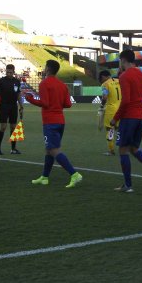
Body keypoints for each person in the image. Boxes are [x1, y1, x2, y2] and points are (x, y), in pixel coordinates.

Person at [110, 50, 142, 192]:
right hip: (140, 116)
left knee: (122, 149)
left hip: (129, 117)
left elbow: (126, 100)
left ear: (123, 60)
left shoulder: (125, 76)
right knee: (133, 148)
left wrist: (115, 118)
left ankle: (128, 185)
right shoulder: (141, 74)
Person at [26, 60, 82, 188]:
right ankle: (45, 177)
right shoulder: (62, 85)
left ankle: (74, 174)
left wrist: (31, 99)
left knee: (53, 149)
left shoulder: (44, 83)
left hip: (49, 122)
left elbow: (45, 103)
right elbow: (68, 104)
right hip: (60, 121)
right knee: (48, 150)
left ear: (48, 69)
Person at [0, 64, 24, 155]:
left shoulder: (17, 81)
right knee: (3, 127)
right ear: (5, 71)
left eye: (10, 72)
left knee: (13, 127)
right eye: (7, 72)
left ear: (13, 72)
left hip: (13, 106)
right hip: (3, 106)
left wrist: (21, 106)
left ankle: (13, 149)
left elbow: (18, 94)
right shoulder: (1, 81)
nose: (9, 74)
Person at [99, 69, 121, 156]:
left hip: (111, 109)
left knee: (110, 129)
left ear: (104, 76)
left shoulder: (105, 84)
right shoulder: (119, 81)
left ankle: (111, 150)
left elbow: (104, 97)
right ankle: (124, 148)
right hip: (121, 109)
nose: (101, 80)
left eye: (101, 78)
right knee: (119, 130)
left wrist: (101, 106)